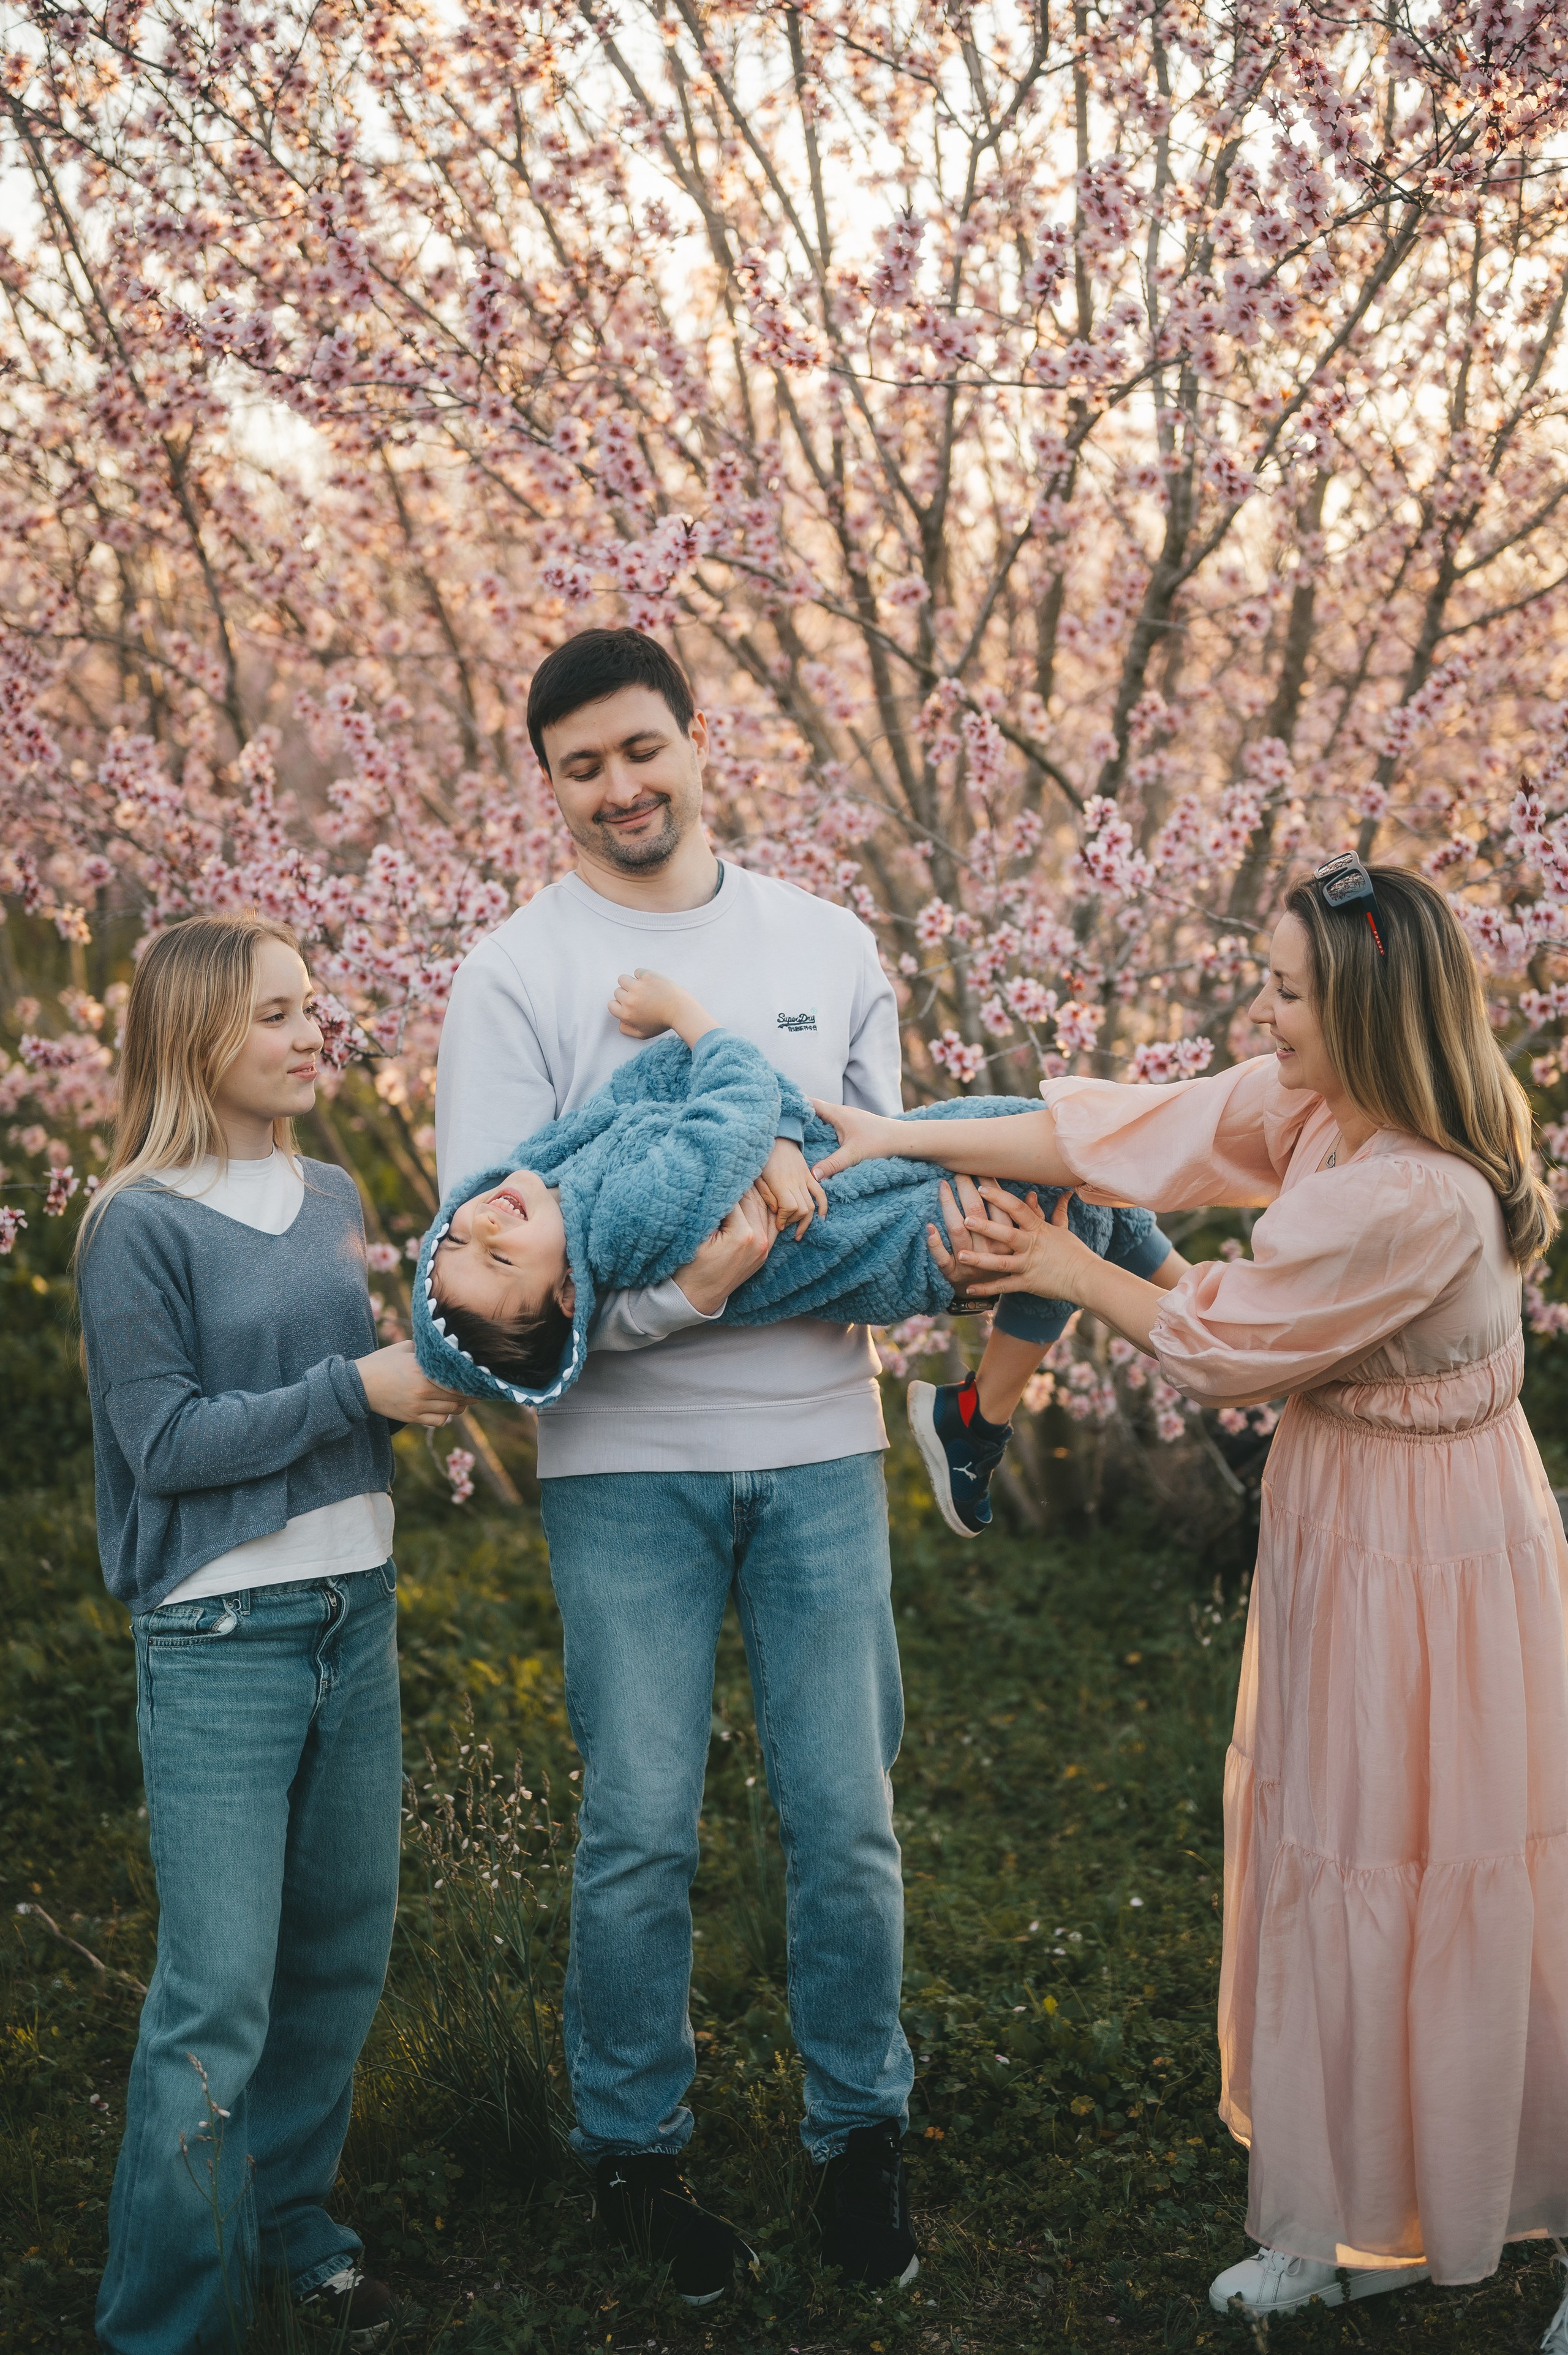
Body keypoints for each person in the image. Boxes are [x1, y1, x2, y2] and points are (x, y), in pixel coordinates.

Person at [810, 859, 1568, 2335]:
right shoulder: (1325, 1105)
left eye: (1286, 988)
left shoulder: (1410, 1190)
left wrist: (1050, 1266)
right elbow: (1127, 1128)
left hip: (1445, 1546)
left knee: (1478, 1863)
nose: (1261, 1011)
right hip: (1349, 1520)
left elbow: (1222, 1341)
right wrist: (890, 1129)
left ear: (1363, 1007)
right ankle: (1356, 2205)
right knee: (1340, 1844)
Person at [437, 625, 984, 2303]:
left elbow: (886, 1191)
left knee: (849, 1819)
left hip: (820, 1448)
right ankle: (631, 2153)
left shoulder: (823, 939)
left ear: (698, 738)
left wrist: (977, 1255)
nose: (621, 786)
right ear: (547, 784)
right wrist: (707, 1282)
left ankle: (860, 2133)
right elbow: (510, 1299)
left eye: (641, 749)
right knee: (637, 1829)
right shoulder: (512, 976)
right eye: (583, 764)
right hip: (623, 1468)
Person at [77, 914, 464, 2355]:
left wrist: (426, 1376)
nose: (317, 1031)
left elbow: (333, 1398)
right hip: (220, 1631)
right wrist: (359, 1393)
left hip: (352, 1609)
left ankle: (290, 2223)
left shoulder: (327, 1188)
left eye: (317, 1004)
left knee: (338, 1953)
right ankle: (161, 2319)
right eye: (281, 1013)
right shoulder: (136, 1220)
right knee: (215, 1990)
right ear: (197, 1039)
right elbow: (164, 1440)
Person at [412, 966, 1183, 1441]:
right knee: (1068, 1184)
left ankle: (1198, 1299)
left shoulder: (567, 1177)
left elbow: (676, 1078)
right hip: (895, 1233)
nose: (481, 1223)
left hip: (874, 1184)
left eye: (456, 1241)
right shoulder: (624, 1223)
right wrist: (687, 1010)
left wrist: (768, 1132)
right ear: (570, 1290)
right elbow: (734, 1086)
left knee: (1070, 1158)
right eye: (501, 1257)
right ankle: (987, 1415)